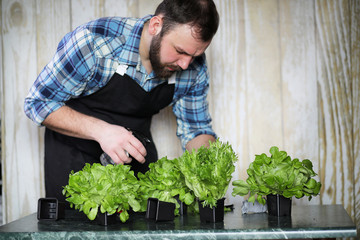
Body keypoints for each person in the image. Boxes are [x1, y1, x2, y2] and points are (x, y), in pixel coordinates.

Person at [24, 0, 219, 203]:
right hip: (74, 161)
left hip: (136, 160)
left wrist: (209, 171)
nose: (185, 64)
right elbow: (38, 102)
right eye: (180, 51)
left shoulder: (194, 69)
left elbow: (196, 128)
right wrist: (102, 131)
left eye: (195, 55)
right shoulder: (94, 43)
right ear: (155, 26)